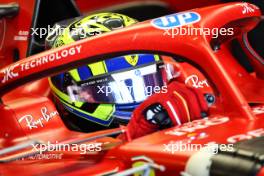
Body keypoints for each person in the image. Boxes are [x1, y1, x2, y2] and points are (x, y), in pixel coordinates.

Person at [47, 12, 208, 137]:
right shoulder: (45, 146)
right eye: (116, 90)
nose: (141, 103)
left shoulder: (188, 81)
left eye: (149, 83)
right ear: (71, 90)